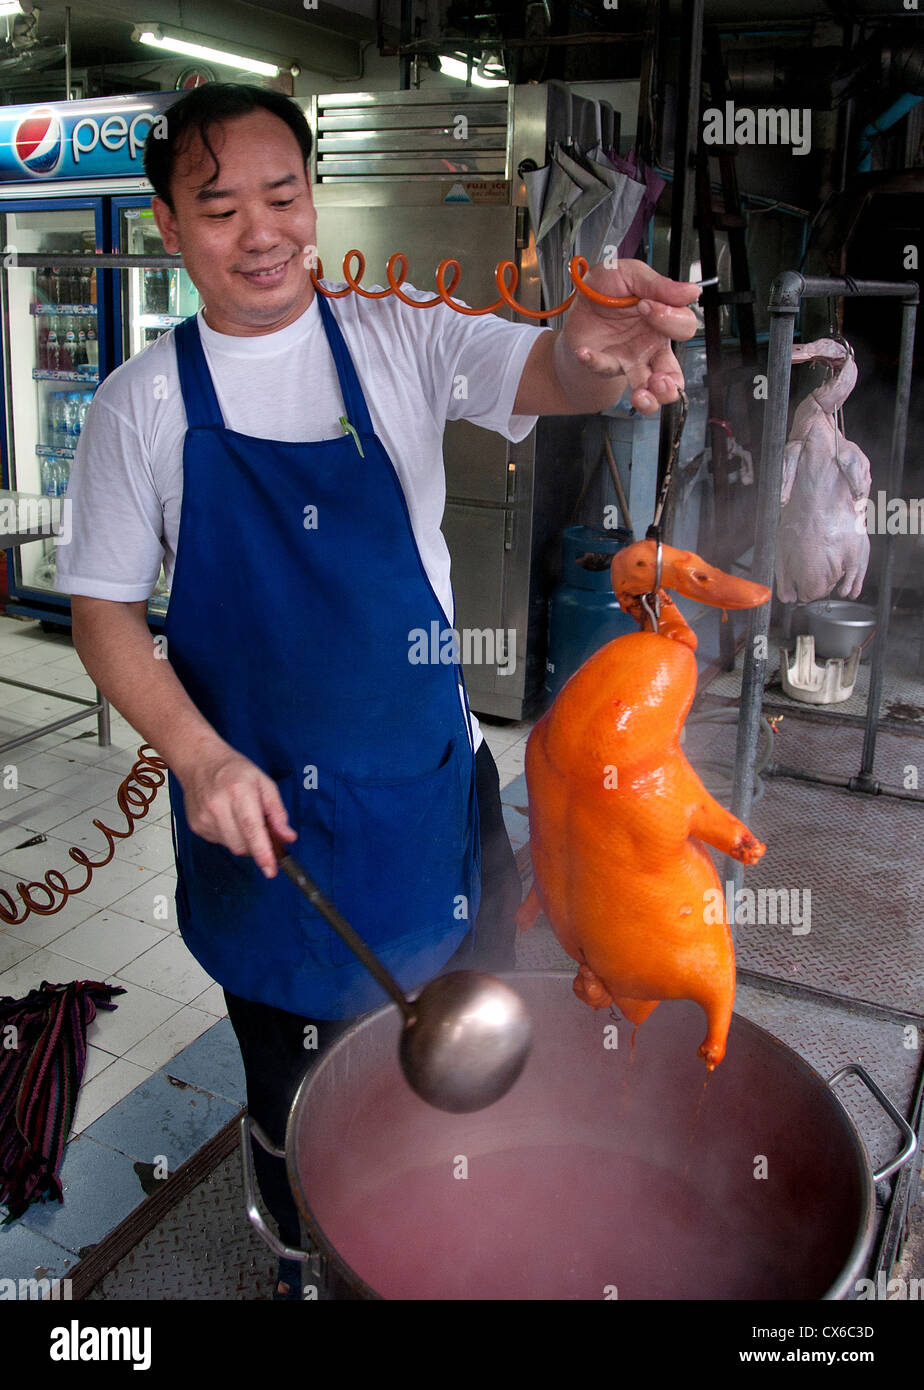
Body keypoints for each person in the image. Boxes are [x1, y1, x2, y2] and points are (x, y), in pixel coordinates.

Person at [55, 83, 700, 1299]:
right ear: (168, 226)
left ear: (314, 195)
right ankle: (309, 1262)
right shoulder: (144, 405)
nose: (262, 233)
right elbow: (102, 616)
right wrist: (198, 757)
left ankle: (465, 1245)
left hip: (434, 802)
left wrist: (595, 343)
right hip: (271, 844)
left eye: (284, 196)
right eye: (219, 207)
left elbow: (552, 366)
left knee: (476, 1056)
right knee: (303, 1106)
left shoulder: (396, 336)